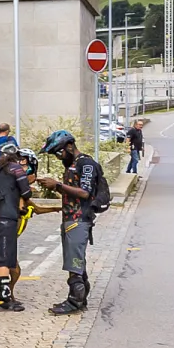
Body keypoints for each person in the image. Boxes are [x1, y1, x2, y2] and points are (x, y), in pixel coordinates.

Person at [36, 129, 101, 315]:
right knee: (76, 260)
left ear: (70, 146)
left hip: (79, 219)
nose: (58, 157)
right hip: (69, 218)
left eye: (59, 152)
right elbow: (71, 192)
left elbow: (84, 192)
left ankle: (75, 301)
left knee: (74, 262)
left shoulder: (86, 164)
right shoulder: (72, 164)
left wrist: (57, 185)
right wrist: (54, 187)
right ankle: (81, 297)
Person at [0, 138, 32, 311]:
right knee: (4, 260)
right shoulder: (15, 169)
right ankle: (3, 301)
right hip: (6, 218)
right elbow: (26, 191)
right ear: (14, 156)